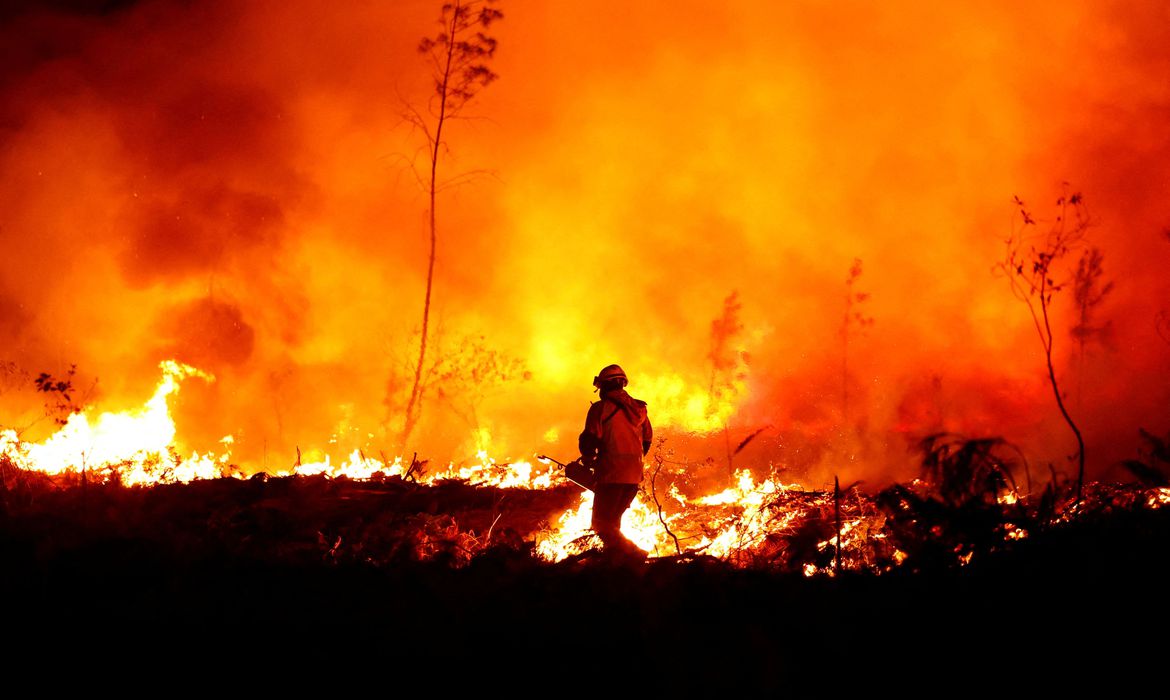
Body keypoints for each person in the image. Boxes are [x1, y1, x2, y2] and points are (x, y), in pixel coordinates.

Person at [578, 364, 652, 555]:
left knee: (601, 525)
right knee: (613, 524)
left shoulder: (600, 409)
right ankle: (615, 564)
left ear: (604, 386)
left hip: (611, 476)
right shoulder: (640, 410)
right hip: (633, 479)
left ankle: (635, 555)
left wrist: (589, 459)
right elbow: (647, 441)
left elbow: (589, 440)